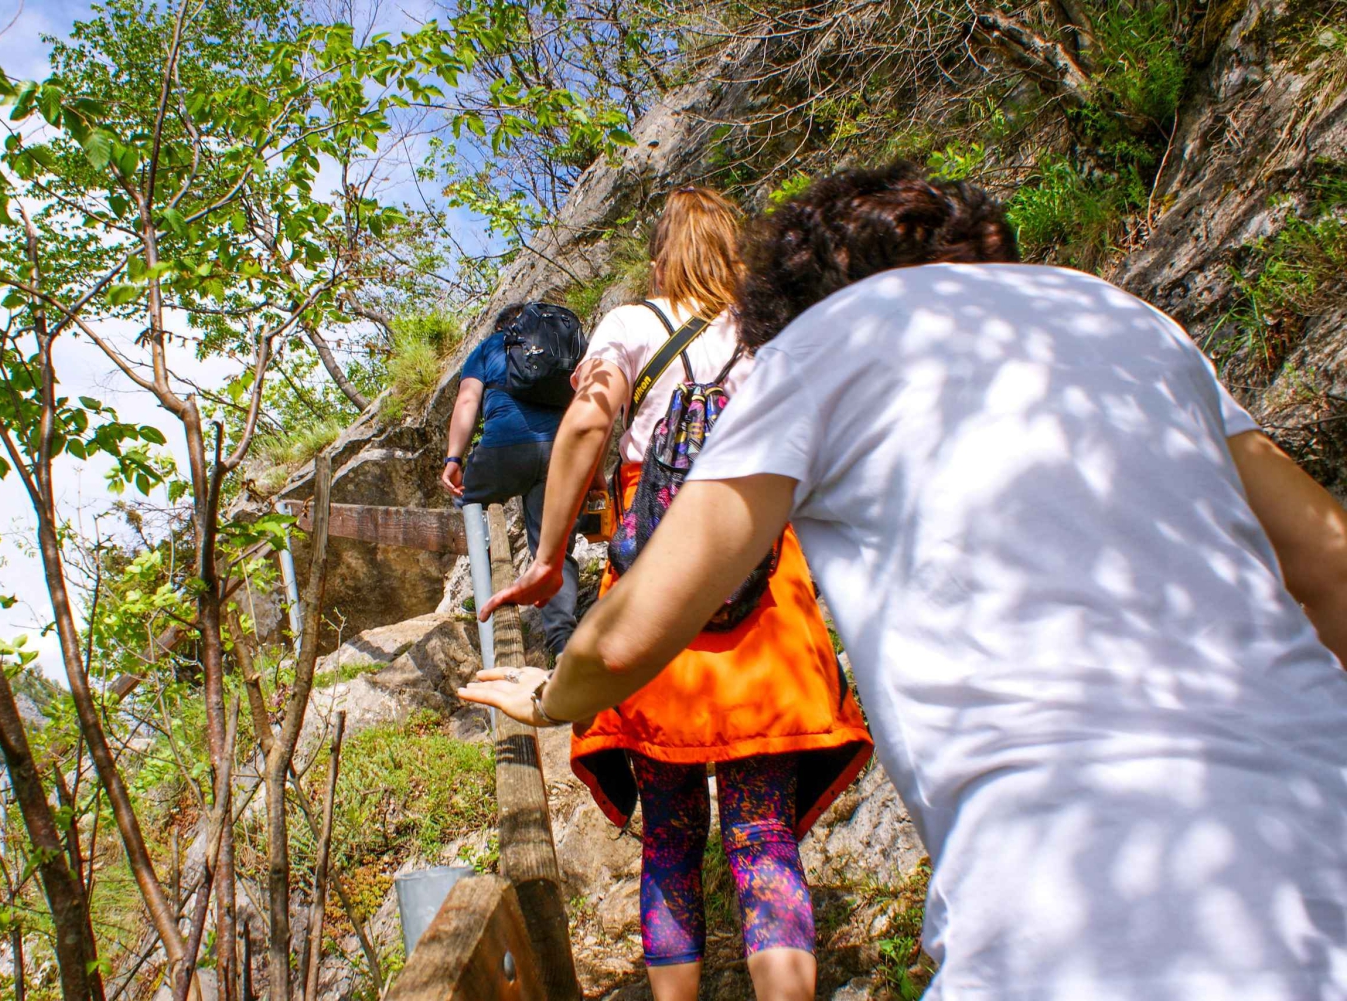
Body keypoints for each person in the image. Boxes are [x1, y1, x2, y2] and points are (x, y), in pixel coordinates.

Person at [461, 165, 1347, 1001]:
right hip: (1322, 843)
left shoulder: (822, 343)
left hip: (1066, 914)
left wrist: (549, 693)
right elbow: (1330, 563)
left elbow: (622, 629)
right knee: (764, 836)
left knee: (671, 840)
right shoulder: (1127, 315)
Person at [477, 187, 873, 1001]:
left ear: (661, 254)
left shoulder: (630, 324)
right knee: (763, 839)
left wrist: (551, 554)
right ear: (734, 251)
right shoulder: (772, 332)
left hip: (655, 613)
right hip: (765, 604)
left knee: (670, 840)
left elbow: (588, 421)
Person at [442, 303, 579, 655]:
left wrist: (454, 459)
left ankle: (483, 592)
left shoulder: (490, 347)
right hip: (560, 451)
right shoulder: (557, 351)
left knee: (468, 499)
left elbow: (467, 400)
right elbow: (582, 407)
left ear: (503, 328)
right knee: (553, 543)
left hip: (504, 448)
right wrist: (590, 474)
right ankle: (562, 642)